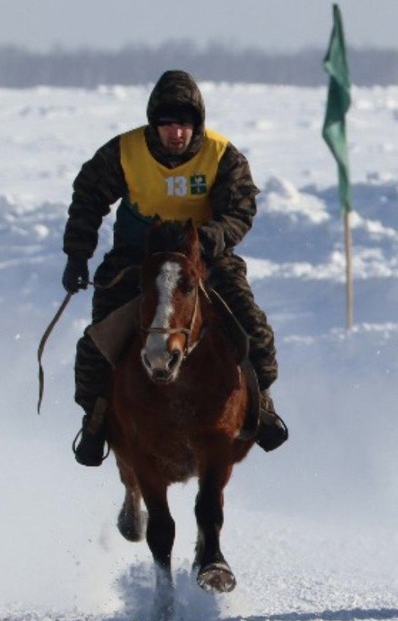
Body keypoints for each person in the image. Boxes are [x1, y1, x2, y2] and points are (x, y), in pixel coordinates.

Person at [61, 70, 288, 465]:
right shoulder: (124, 151)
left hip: (203, 258)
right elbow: (88, 196)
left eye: (183, 124)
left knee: (253, 328)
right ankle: (96, 420)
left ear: (196, 124)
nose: (175, 133)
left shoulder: (222, 155)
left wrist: (209, 239)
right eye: (166, 124)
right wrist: (78, 254)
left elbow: (240, 209)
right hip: (136, 259)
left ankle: (262, 405)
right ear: (155, 124)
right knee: (99, 341)